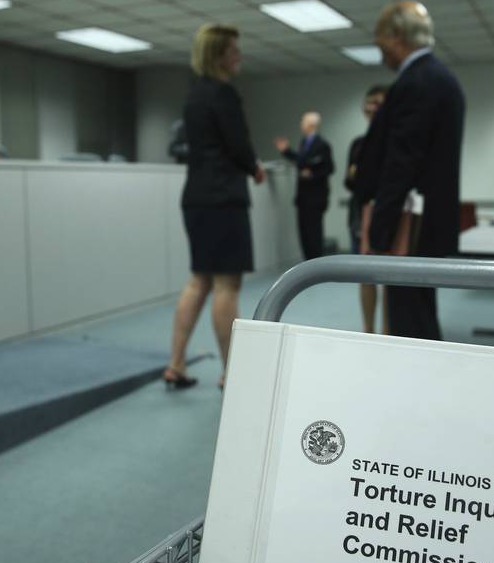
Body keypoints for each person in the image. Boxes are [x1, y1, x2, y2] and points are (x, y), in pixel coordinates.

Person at [165, 23, 266, 390]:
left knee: (199, 280)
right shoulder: (223, 94)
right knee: (227, 286)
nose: (239, 55)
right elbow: (239, 146)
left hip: (196, 198)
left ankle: (176, 363)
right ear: (218, 55)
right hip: (224, 198)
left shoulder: (193, 96)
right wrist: (254, 168)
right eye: (234, 50)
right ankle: (232, 371)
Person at [360, 1, 465, 340]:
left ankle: (417, 388)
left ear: (397, 36)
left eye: (380, 43)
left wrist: (380, 232)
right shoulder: (441, 78)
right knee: (418, 312)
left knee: (410, 321)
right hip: (428, 222)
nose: (380, 53)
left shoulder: (416, 82)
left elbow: (401, 164)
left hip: (411, 227)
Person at [344, 85, 388, 333]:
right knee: (365, 275)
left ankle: (388, 334)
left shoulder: (394, 141)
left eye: (378, 103)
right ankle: (368, 331)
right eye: (368, 102)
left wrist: (362, 175)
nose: (371, 108)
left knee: (390, 280)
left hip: (389, 215)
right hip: (361, 216)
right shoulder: (358, 144)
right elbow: (349, 180)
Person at [274, 112, 335, 260]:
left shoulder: (322, 145)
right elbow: (302, 161)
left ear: (311, 124)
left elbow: (328, 168)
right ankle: (307, 262)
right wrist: (287, 152)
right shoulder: (303, 142)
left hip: (316, 197)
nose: (301, 124)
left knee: (314, 232)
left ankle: (316, 263)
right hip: (303, 197)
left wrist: (312, 173)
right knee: (304, 232)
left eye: (303, 121)